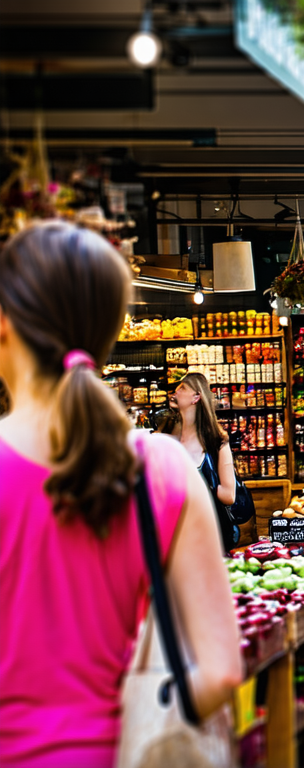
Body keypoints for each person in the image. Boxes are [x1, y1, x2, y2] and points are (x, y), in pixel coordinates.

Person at [0, 221, 242, 766]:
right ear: (111, 328)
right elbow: (222, 668)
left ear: (4, 324)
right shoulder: (162, 466)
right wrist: (145, 720)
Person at [158, 371, 238, 552]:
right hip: (175, 537)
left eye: (182, 388)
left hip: (210, 538)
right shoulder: (167, 438)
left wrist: (193, 481)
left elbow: (229, 495)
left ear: (196, 397)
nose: (176, 392)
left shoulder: (217, 442)